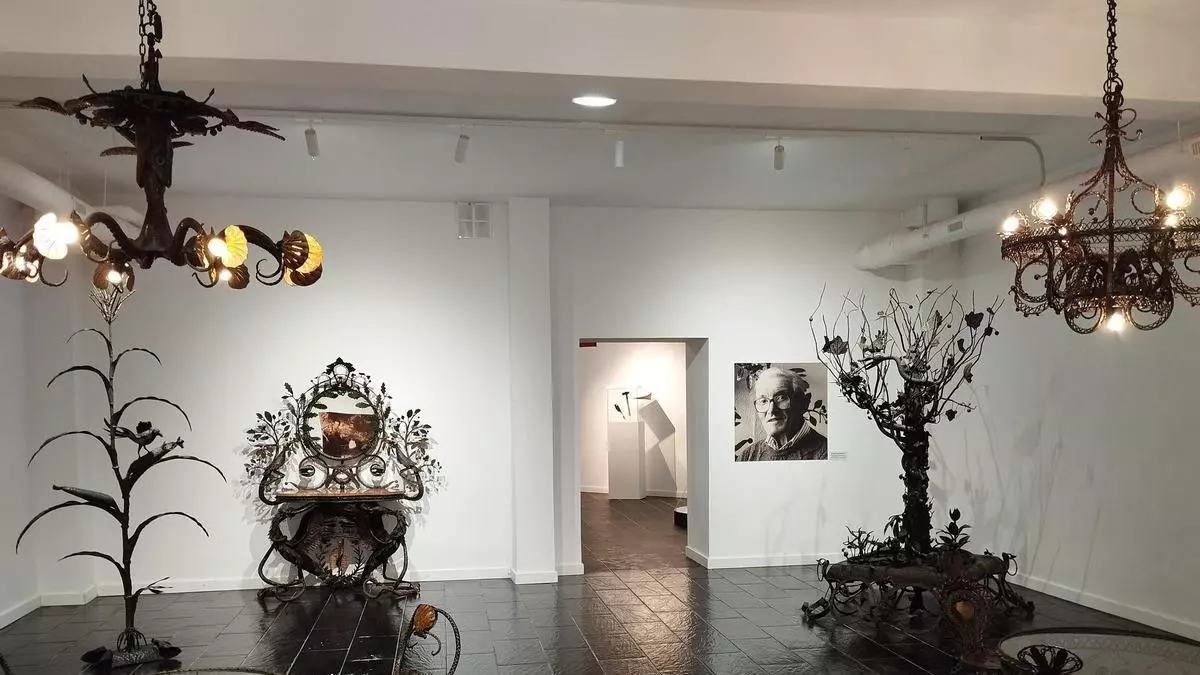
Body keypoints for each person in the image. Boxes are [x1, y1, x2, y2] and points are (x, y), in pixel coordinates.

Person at [736, 367, 828, 461]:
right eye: (763, 401)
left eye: (781, 398)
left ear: (803, 404)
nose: (771, 410)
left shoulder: (826, 453)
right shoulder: (746, 456)